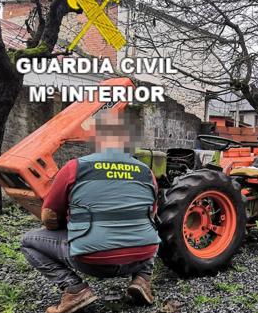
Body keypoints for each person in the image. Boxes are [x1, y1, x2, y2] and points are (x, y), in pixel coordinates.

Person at [20, 109, 160, 313]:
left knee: (28, 242)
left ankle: (74, 289)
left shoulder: (73, 168)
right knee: (148, 228)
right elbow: (151, 215)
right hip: (140, 256)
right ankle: (142, 279)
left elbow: (49, 217)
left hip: (94, 260)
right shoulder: (147, 172)